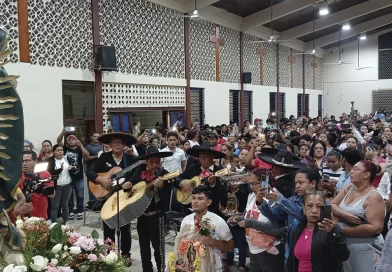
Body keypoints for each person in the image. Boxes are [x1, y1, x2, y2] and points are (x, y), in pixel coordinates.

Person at [86, 132, 139, 266]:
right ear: (109, 145)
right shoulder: (104, 157)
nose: (117, 145)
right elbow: (90, 171)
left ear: (124, 145)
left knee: (125, 227)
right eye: (114, 142)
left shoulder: (130, 159)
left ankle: (126, 254)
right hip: (108, 197)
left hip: (124, 197)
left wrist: (131, 182)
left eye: (120, 143)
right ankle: (109, 254)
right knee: (108, 227)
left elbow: (136, 174)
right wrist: (102, 181)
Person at [121, 146, 173, 272]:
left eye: (157, 162)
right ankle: (147, 269)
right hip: (141, 214)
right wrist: (127, 185)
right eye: (152, 162)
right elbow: (132, 182)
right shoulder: (140, 169)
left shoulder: (165, 174)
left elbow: (167, 198)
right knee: (144, 247)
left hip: (157, 215)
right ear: (146, 161)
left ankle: (161, 269)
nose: (155, 165)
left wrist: (161, 188)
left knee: (158, 247)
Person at [331, 160, 385, 272]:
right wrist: (345, 215)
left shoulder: (374, 197)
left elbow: (376, 227)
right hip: (343, 244)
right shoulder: (349, 187)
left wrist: (342, 229)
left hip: (364, 246)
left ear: (366, 175)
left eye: (356, 169)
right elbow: (332, 204)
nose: (351, 172)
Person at [231, 168, 286, 272]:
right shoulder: (251, 196)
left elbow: (279, 229)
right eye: (250, 184)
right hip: (253, 249)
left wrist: (250, 223)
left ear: (265, 181)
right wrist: (238, 219)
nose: (251, 187)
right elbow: (248, 216)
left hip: (270, 250)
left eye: (254, 184)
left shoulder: (275, 197)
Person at [173, 185, 234, 271]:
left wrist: (212, 241)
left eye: (200, 199)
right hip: (189, 268)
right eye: (193, 198)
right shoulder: (186, 220)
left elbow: (231, 246)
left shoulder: (218, 221)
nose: (195, 201)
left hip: (212, 268)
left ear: (208, 202)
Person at [286, 191, 350, 272]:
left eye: (319, 207)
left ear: (325, 209)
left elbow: (343, 256)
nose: (314, 210)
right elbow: (291, 261)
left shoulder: (332, 229)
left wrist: (333, 234)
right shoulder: (298, 229)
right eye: (309, 206)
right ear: (304, 209)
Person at [177, 146, 226, 216]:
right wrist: (182, 183)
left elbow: (221, 193)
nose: (202, 159)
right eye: (200, 157)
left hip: (211, 210)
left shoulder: (219, 171)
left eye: (205, 157)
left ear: (212, 157)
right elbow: (178, 179)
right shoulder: (193, 168)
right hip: (191, 208)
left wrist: (212, 184)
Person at [57, 130, 89, 220]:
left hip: (79, 176)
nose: (71, 140)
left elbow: (87, 155)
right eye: (69, 139)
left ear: (76, 140)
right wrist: (62, 133)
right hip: (67, 176)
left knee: (80, 195)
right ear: (67, 141)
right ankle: (70, 211)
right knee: (69, 196)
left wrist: (81, 145)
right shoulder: (65, 149)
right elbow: (58, 141)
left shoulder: (79, 149)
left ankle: (79, 211)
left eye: (73, 139)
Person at [19, 151, 55, 219]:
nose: (24, 164)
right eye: (22, 161)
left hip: (40, 214)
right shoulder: (18, 174)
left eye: (27, 161)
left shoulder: (44, 173)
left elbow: (53, 194)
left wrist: (40, 187)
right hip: (21, 214)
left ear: (35, 161)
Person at [47, 144, 73, 224]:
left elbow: (74, 169)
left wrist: (72, 169)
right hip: (56, 186)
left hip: (67, 184)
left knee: (65, 204)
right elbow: (49, 172)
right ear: (54, 152)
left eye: (61, 150)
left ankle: (66, 220)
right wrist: (59, 170)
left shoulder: (66, 159)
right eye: (58, 150)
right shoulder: (51, 160)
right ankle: (54, 221)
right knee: (55, 205)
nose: (60, 152)